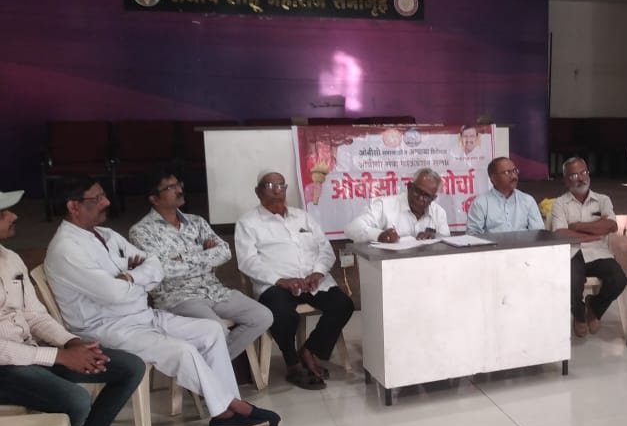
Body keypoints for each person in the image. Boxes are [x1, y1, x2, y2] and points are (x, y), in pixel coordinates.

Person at [44, 178, 279, 426]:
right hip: (108, 328)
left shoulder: (107, 235)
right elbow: (114, 293)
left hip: (142, 316)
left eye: (103, 196)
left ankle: (226, 410)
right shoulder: (67, 249)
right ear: (73, 206)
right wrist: (138, 278)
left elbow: (155, 265)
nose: (106, 202)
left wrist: (131, 276)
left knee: (211, 331)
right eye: (96, 199)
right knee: (183, 350)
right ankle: (229, 410)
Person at [0, 189, 142, 426]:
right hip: (5, 366)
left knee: (129, 367)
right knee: (75, 400)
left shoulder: (10, 258)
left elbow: (35, 315)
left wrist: (72, 343)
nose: (14, 215)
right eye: (3, 213)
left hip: (31, 351)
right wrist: (59, 356)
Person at [128, 171, 272, 363]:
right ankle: (216, 371)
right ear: (154, 198)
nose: (179, 190)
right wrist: (204, 255)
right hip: (178, 297)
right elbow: (163, 270)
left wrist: (183, 258)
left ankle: (205, 368)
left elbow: (224, 252)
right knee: (217, 330)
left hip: (215, 290)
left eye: (178, 184)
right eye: (170, 187)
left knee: (263, 316)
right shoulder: (141, 231)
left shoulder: (196, 221)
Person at [236, 170, 354, 391]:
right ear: (258, 192)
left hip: (312, 281)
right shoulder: (248, 222)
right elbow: (247, 261)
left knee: (343, 305)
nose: (277, 191)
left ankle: (309, 351)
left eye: (281, 186)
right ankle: (292, 364)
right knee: (283, 313)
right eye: (270, 186)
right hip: (275, 284)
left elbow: (325, 250)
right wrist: (279, 280)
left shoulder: (303, 217)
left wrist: (318, 272)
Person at [548, 157, 627, 338]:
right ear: (566, 180)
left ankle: (595, 308)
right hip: (572, 251)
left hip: (598, 251)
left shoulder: (602, 200)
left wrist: (577, 226)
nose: (581, 178)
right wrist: (594, 230)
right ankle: (579, 315)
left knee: (619, 279)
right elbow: (561, 232)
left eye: (584, 172)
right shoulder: (559, 203)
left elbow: (611, 226)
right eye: (574, 175)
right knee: (571, 282)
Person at [345, 167, 450, 243]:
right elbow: (352, 228)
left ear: (433, 199)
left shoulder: (438, 213)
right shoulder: (384, 205)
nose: (420, 199)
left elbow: (446, 239)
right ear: (409, 187)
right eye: (418, 192)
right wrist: (379, 235)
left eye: (426, 196)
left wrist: (435, 237)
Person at [465, 157, 544, 234]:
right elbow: (473, 234)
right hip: (492, 243)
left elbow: (538, 232)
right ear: (493, 178)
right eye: (507, 172)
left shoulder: (527, 200)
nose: (514, 176)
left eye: (514, 171)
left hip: (524, 242)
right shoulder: (480, 203)